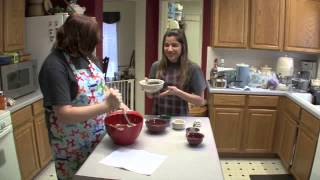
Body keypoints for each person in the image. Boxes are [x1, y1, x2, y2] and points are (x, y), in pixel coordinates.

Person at [39, 15, 127, 179]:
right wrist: (106, 106)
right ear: (77, 39)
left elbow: (101, 86)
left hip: (98, 137)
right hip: (72, 147)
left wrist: (120, 104)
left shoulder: (87, 57)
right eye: (90, 42)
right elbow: (64, 113)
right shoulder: (55, 66)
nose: (93, 47)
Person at [148, 28, 207, 116]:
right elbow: (150, 96)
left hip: (180, 121)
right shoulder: (156, 66)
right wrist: (147, 88)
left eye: (174, 45)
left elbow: (200, 101)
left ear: (182, 47)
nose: (170, 49)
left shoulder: (193, 68)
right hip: (158, 119)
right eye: (166, 45)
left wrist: (177, 92)